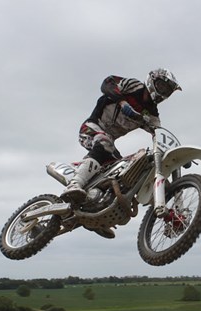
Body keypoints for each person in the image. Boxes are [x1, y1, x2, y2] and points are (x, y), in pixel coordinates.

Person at [60, 68, 183, 220]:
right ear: (152, 81)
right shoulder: (134, 86)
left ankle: (97, 209)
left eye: (167, 91)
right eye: (162, 86)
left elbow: (158, 134)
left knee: (125, 169)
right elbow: (107, 83)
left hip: (109, 142)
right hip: (91, 128)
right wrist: (123, 102)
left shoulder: (152, 114)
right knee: (104, 142)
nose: (163, 92)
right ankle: (74, 184)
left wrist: (176, 153)